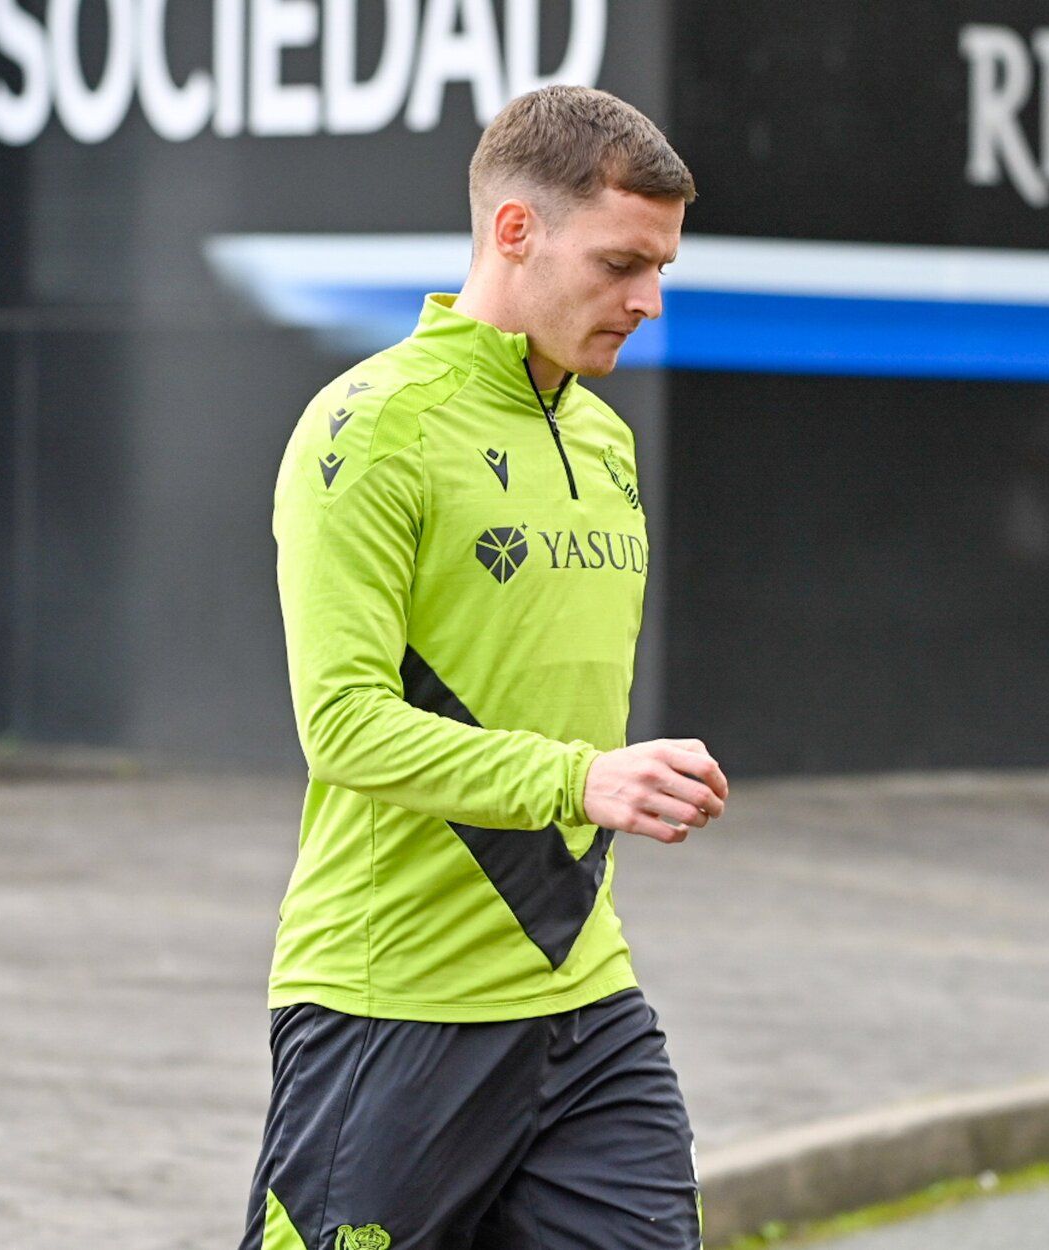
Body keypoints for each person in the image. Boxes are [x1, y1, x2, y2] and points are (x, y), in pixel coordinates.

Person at [242, 84, 729, 1250]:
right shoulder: (368, 430)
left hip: (581, 1000)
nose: (647, 301)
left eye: (658, 267)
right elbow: (345, 726)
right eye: (621, 263)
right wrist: (580, 780)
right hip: (390, 1006)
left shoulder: (604, 436)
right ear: (515, 231)